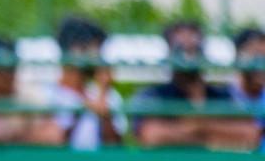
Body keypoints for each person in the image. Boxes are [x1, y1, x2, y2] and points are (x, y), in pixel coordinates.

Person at [133, 21, 259, 151]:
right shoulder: (154, 95)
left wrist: (200, 125)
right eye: (182, 50)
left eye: (195, 48)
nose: (189, 56)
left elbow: (251, 135)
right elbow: (152, 136)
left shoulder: (223, 96)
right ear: (169, 54)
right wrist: (215, 138)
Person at [47, 17, 127, 151]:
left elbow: (115, 149)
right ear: (74, 49)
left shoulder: (108, 95)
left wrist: (103, 99)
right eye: (95, 48)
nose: (99, 57)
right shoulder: (45, 95)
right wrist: (84, 108)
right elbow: (56, 145)